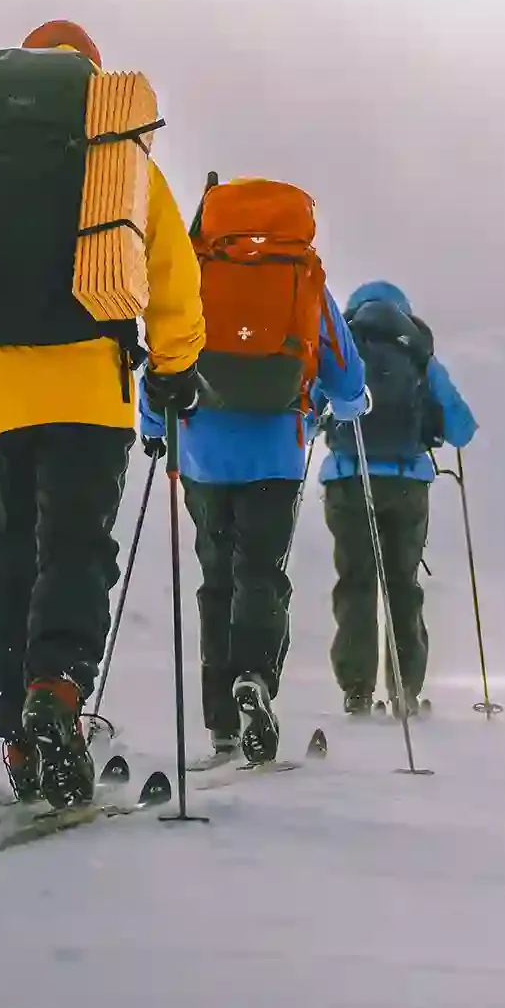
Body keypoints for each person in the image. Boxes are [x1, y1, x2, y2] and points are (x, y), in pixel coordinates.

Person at [0, 20, 204, 807]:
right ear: (94, 87)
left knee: (12, 556)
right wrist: (175, 371)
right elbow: (171, 272)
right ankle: (57, 692)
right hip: (87, 391)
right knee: (74, 550)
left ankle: (17, 739)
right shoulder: (119, 165)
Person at [140, 177, 366, 767]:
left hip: (202, 451)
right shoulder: (303, 276)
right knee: (261, 572)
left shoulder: (197, 269)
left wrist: (155, 425)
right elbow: (344, 374)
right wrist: (346, 407)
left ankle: (219, 722)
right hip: (277, 453)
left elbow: (166, 350)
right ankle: (256, 680)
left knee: (217, 579)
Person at [319, 281, 477, 716]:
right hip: (407, 484)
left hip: (348, 481)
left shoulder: (341, 349)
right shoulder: (419, 353)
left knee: (356, 583)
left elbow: (311, 409)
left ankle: (357, 691)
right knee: (401, 586)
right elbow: (461, 428)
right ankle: (405, 691)